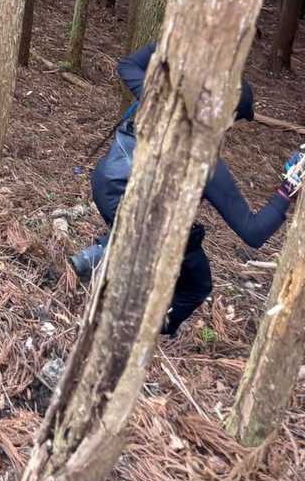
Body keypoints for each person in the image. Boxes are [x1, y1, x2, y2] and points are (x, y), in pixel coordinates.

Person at [70, 42, 301, 337]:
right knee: (196, 283)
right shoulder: (205, 163)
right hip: (143, 211)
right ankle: (130, 302)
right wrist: (287, 189)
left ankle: (106, 254)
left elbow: (126, 65)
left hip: (106, 181)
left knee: (162, 239)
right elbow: (253, 232)